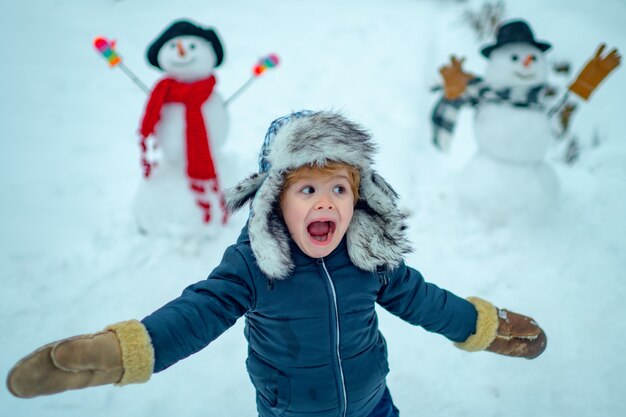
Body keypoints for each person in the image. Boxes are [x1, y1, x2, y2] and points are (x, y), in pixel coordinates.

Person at [7, 111, 547, 417]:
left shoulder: (367, 258)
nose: (325, 201)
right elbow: (197, 313)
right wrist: (124, 352)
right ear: (273, 199)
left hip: (373, 402)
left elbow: (425, 301)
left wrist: (487, 327)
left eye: (339, 188)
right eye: (306, 187)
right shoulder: (252, 267)